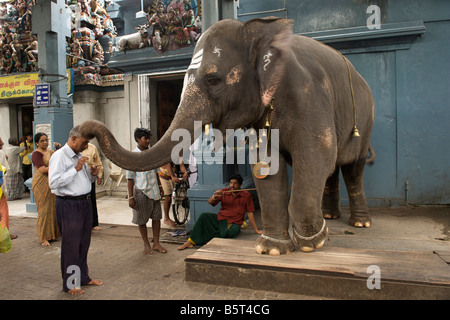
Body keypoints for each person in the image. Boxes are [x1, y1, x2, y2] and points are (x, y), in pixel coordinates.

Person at [48, 126, 102, 295]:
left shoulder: (79, 156)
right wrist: (75, 169)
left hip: (85, 203)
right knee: (71, 245)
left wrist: (92, 174)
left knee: (83, 243)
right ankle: (71, 283)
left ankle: (83, 277)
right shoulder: (59, 156)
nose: (86, 146)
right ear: (73, 139)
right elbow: (54, 183)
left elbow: (83, 180)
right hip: (69, 205)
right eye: (84, 142)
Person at [178, 174, 263, 250]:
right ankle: (190, 241)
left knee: (232, 231)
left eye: (235, 183)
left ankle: (205, 239)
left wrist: (256, 230)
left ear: (240, 185)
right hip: (221, 219)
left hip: (235, 222)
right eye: (231, 183)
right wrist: (214, 196)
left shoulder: (246, 195)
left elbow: (250, 212)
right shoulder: (224, 191)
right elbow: (210, 202)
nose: (232, 186)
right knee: (204, 216)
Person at [127, 128, 166, 255]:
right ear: (138, 139)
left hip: (154, 191)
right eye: (145, 139)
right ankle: (146, 245)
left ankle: (156, 243)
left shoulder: (151, 154)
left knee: (156, 218)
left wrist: (160, 188)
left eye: (149, 138)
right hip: (141, 192)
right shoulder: (133, 156)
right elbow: (130, 179)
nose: (148, 141)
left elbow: (156, 173)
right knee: (142, 220)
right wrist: (131, 197)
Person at [31, 133, 61, 247]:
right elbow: (43, 169)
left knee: (52, 209)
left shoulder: (49, 152)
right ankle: (43, 237)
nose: (45, 142)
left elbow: (59, 157)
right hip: (40, 184)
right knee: (43, 210)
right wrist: (56, 168)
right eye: (42, 141)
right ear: (37, 143)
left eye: (46, 140)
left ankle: (52, 235)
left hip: (50, 183)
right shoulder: (36, 154)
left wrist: (58, 148)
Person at [81, 143, 104, 231]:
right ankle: (82, 223)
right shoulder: (76, 147)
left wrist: (100, 175)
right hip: (78, 177)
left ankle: (94, 223)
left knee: (92, 200)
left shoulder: (92, 147)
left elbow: (98, 163)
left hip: (90, 176)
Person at [159, 160, 188, 227]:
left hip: (172, 174)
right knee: (168, 197)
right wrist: (172, 176)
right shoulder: (169, 152)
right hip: (164, 173)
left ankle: (167, 218)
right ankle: (166, 218)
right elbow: (167, 164)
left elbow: (181, 165)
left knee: (172, 196)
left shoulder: (179, 153)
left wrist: (185, 172)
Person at [0, 138, 16, 239]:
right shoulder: (1, 153)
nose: (2, 143)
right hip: (0, 188)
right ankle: (5, 233)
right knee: (3, 209)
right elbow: (4, 170)